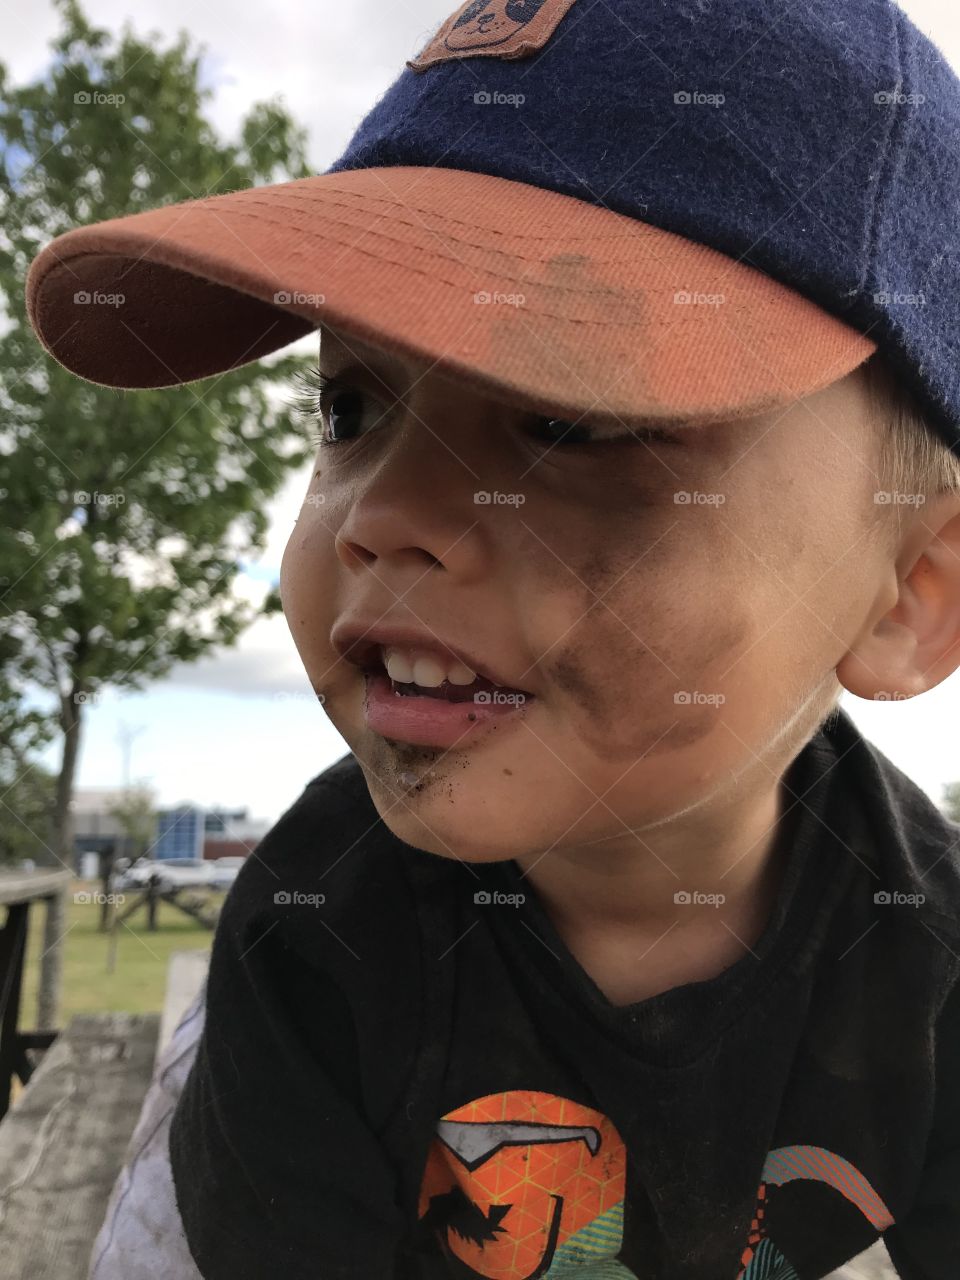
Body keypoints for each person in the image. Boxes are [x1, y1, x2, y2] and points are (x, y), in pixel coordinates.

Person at [25, 0, 960, 1276]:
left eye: (570, 421)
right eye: (350, 405)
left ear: (912, 588)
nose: (387, 515)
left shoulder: (931, 967)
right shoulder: (313, 937)